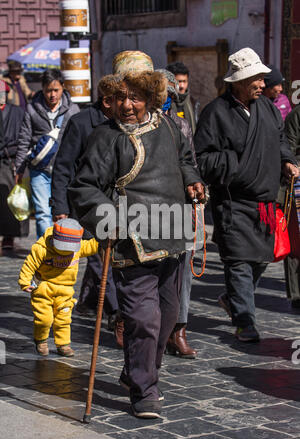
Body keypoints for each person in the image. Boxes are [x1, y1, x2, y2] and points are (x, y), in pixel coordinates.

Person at [68, 50, 204, 419]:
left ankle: (136, 371)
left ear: (151, 96)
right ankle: (145, 391)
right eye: (121, 97)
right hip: (133, 240)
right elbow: (83, 188)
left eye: (136, 96)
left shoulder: (171, 126)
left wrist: (192, 181)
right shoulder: (105, 137)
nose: (127, 105)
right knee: (143, 319)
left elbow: (185, 162)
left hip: (172, 232)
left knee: (168, 315)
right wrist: (109, 219)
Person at [194, 47, 299, 343]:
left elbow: (279, 140)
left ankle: (232, 298)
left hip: (265, 200)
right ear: (238, 81)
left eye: (262, 78)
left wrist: (287, 161)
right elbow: (201, 159)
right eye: (256, 78)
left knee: (261, 259)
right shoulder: (216, 113)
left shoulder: (266, 108)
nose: (262, 84)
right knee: (239, 261)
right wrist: (235, 161)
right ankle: (245, 321)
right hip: (233, 202)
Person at [50, 87, 121, 332]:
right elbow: (63, 166)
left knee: (107, 257)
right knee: (98, 258)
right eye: (118, 99)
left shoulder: (122, 123)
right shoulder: (80, 123)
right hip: (83, 205)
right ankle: (115, 310)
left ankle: (89, 302)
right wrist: (60, 206)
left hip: (113, 204)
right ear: (106, 100)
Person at [157, 68, 205, 359]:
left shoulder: (181, 126)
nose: (164, 100)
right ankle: (148, 328)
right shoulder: (135, 125)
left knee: (182, 274)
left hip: (178, 208)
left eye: (168, 96)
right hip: (146, 210)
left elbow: (192, 164)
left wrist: (196, 188)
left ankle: (179, 330)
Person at [18, 218, 98, 357]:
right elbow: (29, 265)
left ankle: (63, 344)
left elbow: (93, 245)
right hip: (44, 288)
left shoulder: (79, 248)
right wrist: (25, 282)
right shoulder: (41, 249)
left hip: (66, 290)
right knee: (44, 319)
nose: (66, 251)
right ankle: (41, 340)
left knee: (64, 319)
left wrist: (106, 239)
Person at [14, 69, 80, 239]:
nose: (52, 95)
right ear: (42, 89)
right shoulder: (31, 109)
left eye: (56, 90)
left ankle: (62, 248)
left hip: (64, 171)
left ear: (63, 88)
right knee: (43, 212)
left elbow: (79, 140)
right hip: (39, 169)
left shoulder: (72, 110)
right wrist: (19, 169)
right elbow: (24, 139)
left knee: (62, 212)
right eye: (48, 90)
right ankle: (46, 253)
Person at [0, 79, 28, 250]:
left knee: (11, 200)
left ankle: (9, 236)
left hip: (10, 160)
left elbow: (23, 136)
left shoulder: (17, 112)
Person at [283, 107, 300, 310]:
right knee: (296, 240)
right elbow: (289, 147)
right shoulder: (296, 115)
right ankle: (297, 293)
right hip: (298, 180)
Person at [165, 61, 199, 134]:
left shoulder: (193, 103)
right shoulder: (165, 103)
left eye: (184, 81)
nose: (182, 86)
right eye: (179, 82)